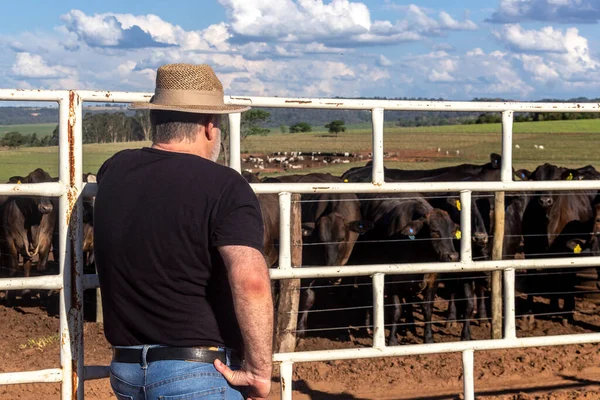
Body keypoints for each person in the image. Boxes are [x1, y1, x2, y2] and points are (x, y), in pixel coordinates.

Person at [93, 63, 274, 400]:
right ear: (210, 126)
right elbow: (251, 281)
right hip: (198, 373)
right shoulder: (226, 186)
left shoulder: (113, 170)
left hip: (127, 371)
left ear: (155, 121)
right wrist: (259, 371)